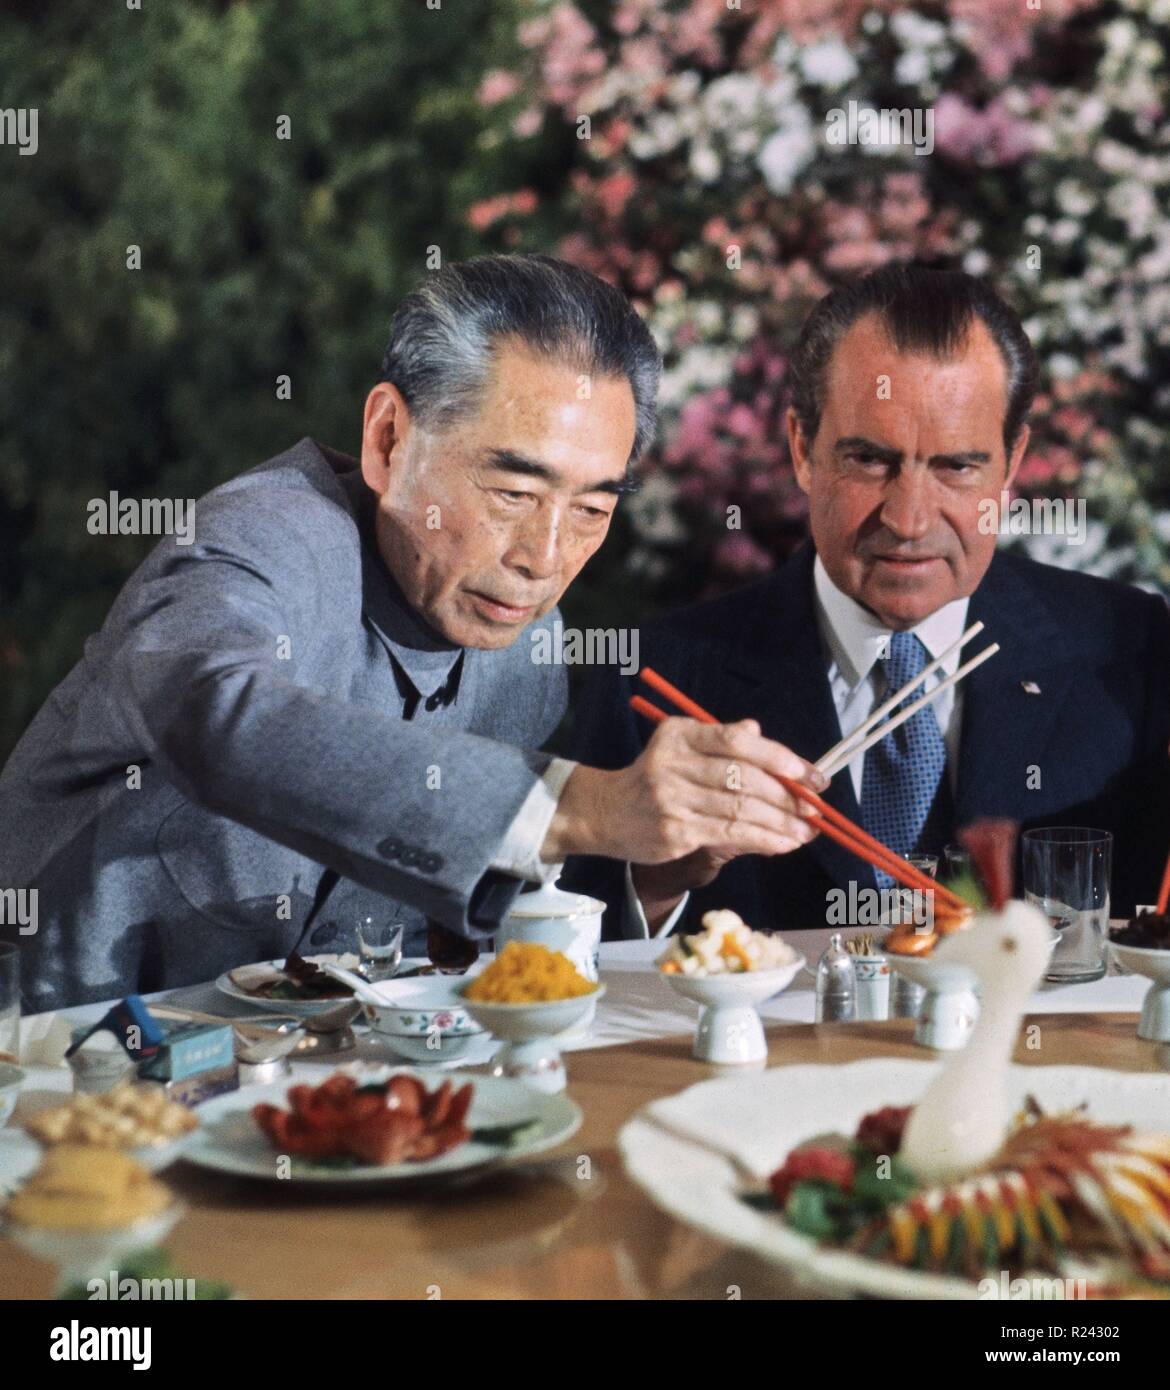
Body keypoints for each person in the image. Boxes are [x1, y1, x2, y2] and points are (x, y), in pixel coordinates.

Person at [0, 254, 825, 1010]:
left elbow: (477, 941)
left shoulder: (528, 648)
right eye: (511, 493)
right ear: (389, 440)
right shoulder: (258, 537)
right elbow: (216, 713)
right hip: (46, 1067)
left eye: (593, 510)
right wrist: (577, 802)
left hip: (282, 1102)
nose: (544, 559)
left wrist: (648, 873)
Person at [564, 265, 1170, 936]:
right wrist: (656, 878)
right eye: (871, 461)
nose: (910, 520)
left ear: (1012, 462)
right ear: (802, 449)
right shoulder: (653, 674)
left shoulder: (1128, 646)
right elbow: (565, 958)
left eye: (957, 467)